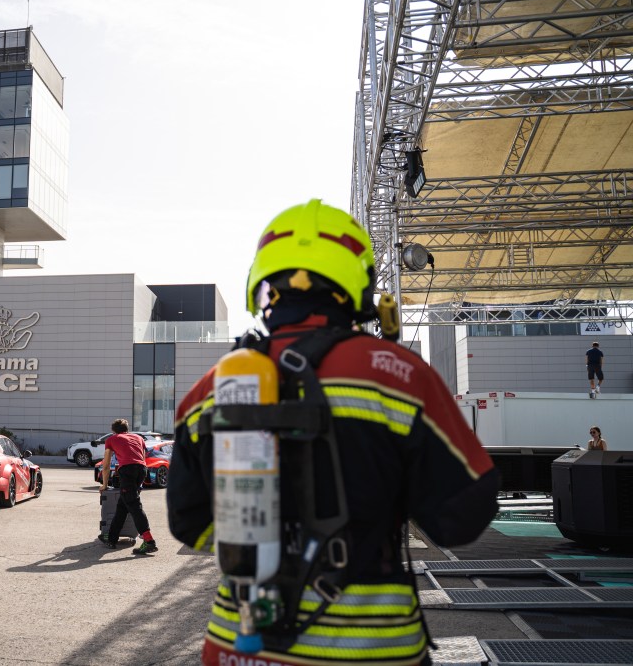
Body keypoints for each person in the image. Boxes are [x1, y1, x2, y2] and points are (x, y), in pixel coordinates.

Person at [167, 200, 500, 665]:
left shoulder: (213, 387)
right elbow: (463, 516)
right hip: (372, 651)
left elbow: (189, 523)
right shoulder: (400, 376)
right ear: (357, 284)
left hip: (238, 646)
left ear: (263, 283)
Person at [98, 418, 158, 555]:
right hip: (142, 470)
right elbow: (142, 459)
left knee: (134, 505)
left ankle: (149, 541)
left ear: (113, 431)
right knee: (123, 505)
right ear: (127, 429)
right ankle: (111, 538)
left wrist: (104, 485)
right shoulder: (138, 437)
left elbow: (106, 465)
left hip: (128, 471)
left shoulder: (112, 439)